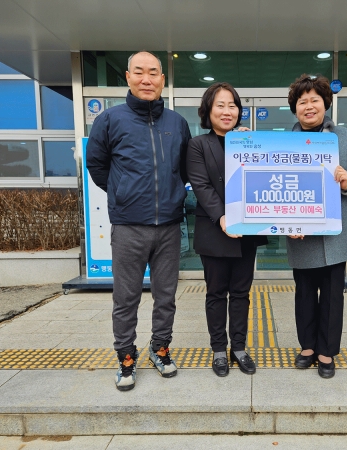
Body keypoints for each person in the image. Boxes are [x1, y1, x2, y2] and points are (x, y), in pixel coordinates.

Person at [86, 51, 191, 390]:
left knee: (166, 295)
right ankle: (126, 359)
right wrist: (122, 194)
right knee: (126, 297)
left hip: (169, 226)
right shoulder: (109, 120)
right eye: (140, 72)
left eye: (154, 73)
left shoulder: (177, 123)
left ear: (163, 79)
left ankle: (160, 349)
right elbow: (97, 165)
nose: (147, 79)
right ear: (128, 77)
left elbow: (187, 169)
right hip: (129, 225)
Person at [286, 74, 347, 378]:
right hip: (302, 233)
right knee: (305, 293)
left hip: (336, 231)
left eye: (314, 100)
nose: (309, 106)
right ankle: (307, 347)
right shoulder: (285, 141)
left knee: (334, 295)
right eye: (302, 102)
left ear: (326, 103)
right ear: (294, 109)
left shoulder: (345, 137)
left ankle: (326, 352)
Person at [186, 82, 268, 377]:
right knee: (216, 293)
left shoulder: (248, 141)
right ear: (208, 110)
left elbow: (262, 180)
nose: (227, 111)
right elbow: (202, 185)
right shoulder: (198, 145)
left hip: (247, 229)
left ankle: (240, 348)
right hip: (214, 230)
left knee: (242, 293)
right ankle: (219, 350)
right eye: (220, 105)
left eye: (232, 105)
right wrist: (222, 217)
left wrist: (250, 146)